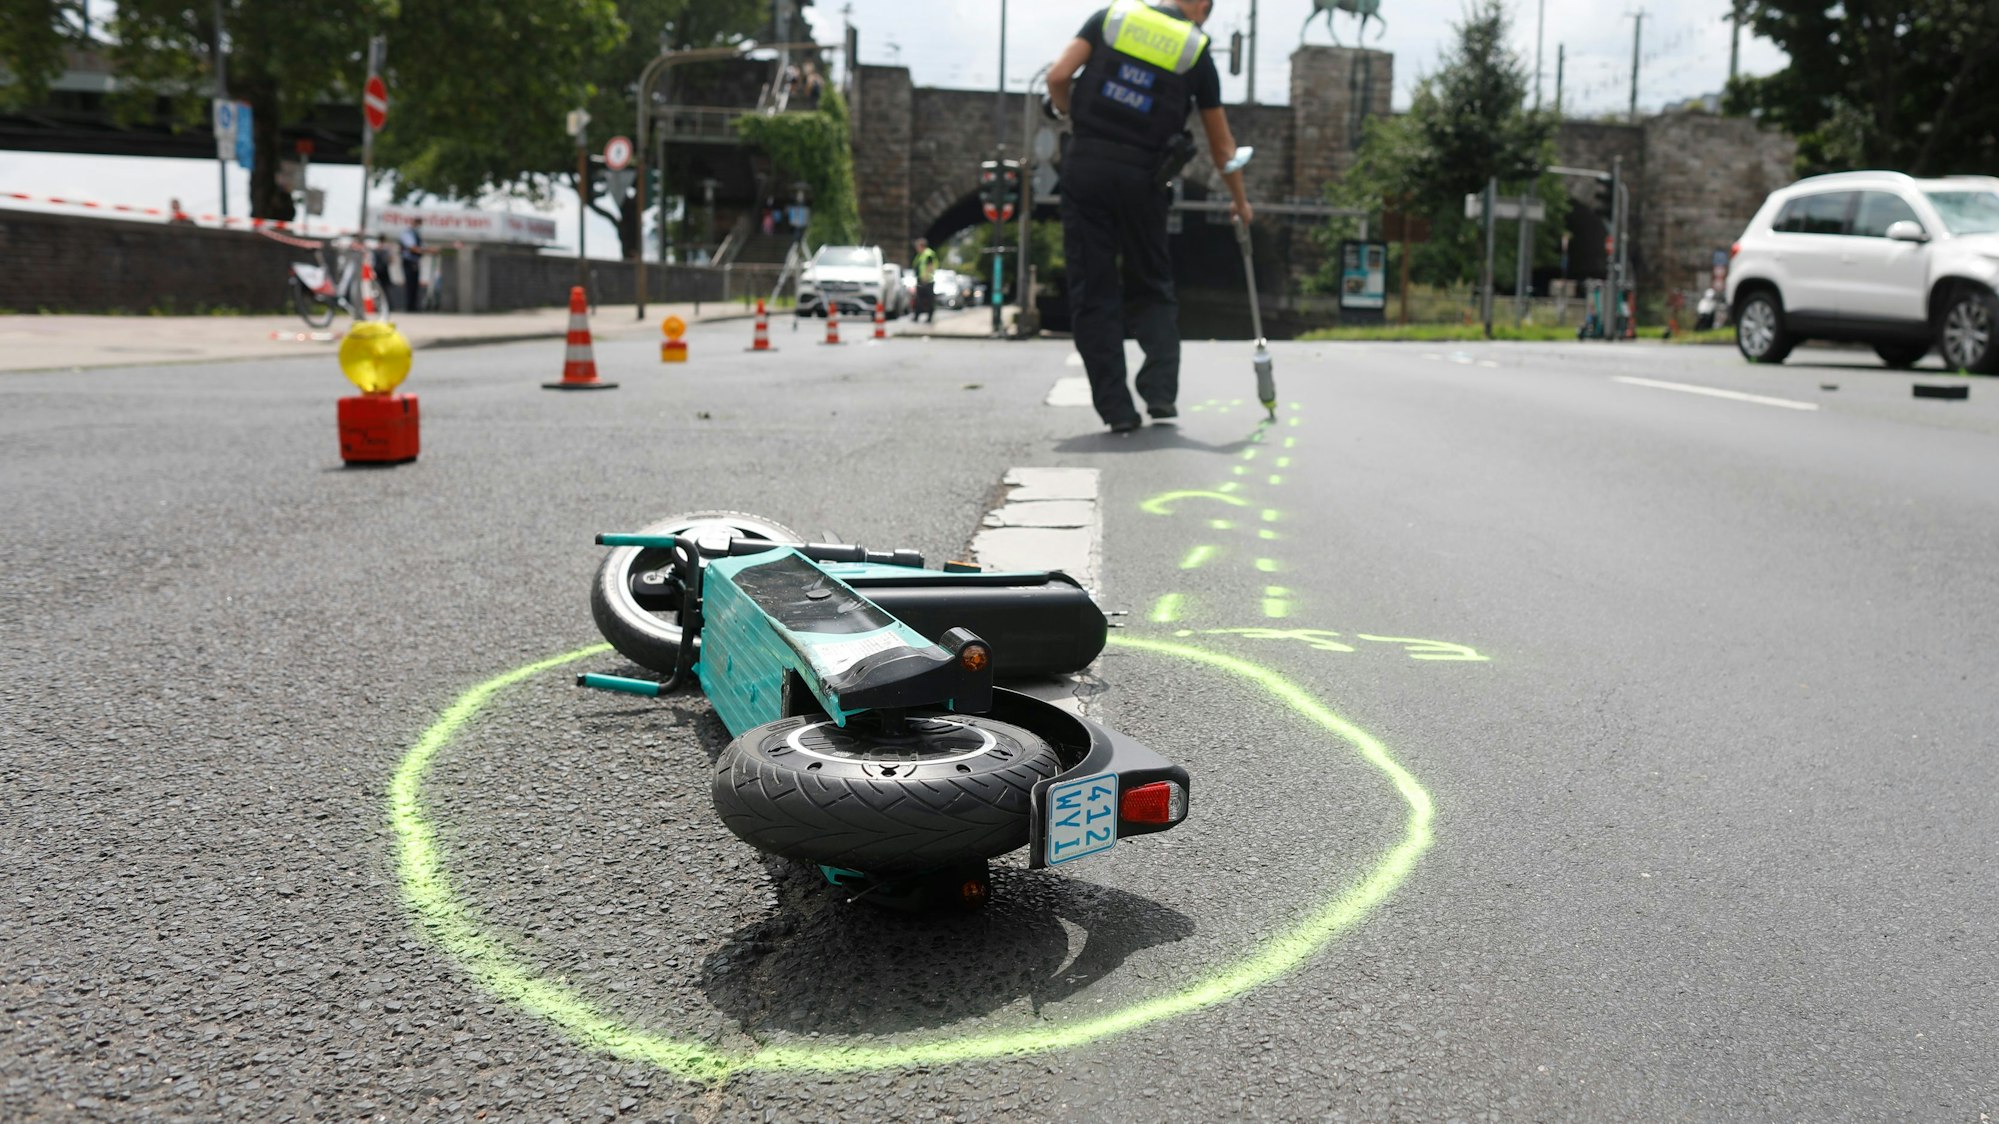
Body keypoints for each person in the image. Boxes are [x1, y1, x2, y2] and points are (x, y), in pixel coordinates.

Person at [1045, 0, 1252, 433]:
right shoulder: (1195, 49)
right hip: (1146, 177)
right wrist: (1239, 201)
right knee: (1152, 283)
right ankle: (1159, 391)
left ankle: (1118, 411)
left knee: (1093, 290)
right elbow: (1222, 147)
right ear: (1200, 7)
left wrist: (1066, 112)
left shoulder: (1113, 17)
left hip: (1088, 168)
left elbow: (1058, 76)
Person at [397, 218, 426, 312]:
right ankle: (409, 306)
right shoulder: (407, 234)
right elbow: (412, 247)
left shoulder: (417, 235)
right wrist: (423, 250)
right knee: (410, 284)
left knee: (415, 285)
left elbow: (421, 246)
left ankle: (414, 306)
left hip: (415, 261)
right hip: (408, 261)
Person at [912, 238, 940, 323]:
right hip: (921, 280)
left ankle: (929, 317)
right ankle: (917, 316)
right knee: (919, 299)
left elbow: (930, 266)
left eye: (917, 246)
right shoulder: (920, 255)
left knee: (929, 300)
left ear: (921, 246)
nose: (916, 248)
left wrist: (926, 278)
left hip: (927, 281)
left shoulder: (928, 254)